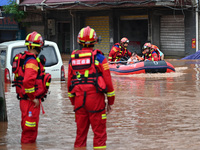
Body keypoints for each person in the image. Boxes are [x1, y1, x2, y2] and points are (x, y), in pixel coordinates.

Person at [67, 26, 115, 149]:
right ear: (95, 41)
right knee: (99, 134)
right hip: (96, 101)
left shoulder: (73, 59)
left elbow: (69, 84)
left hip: (78, 101)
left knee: (80, 135)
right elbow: (108, 82)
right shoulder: (99, 58)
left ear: (79, 41)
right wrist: (110, 101)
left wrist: (73, 102)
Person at [12, 31, 48, 143]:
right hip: (30, 101)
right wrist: (33, 97)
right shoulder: (32, 61)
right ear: (39, 46)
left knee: (27, 127)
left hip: (24, 100)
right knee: (30, 130)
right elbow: (28, 81)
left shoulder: (24, 59)